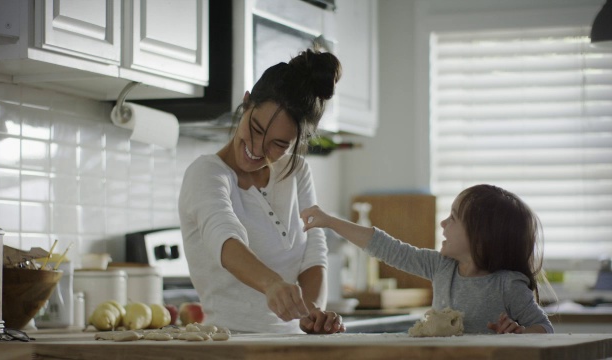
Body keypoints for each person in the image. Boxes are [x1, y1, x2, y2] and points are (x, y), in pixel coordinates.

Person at [178, 47, 344, 334]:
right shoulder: (206, 174)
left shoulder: (297, 172)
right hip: (230, 346)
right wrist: (272, 284)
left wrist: (313, 314)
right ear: (245, 104)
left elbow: (314, 254)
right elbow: (225, 238)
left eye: (278, 145)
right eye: (255, 128)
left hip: (294, 347)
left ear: (296, 143)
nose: (257, 148)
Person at [300, 184, 554, 334]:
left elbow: (545, 329)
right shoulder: (441, 267)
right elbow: (386, 248)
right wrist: (330, 222)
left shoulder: (507, 286)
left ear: (481, 237)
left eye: (453, 218)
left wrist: (520, 333)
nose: (443, 223)